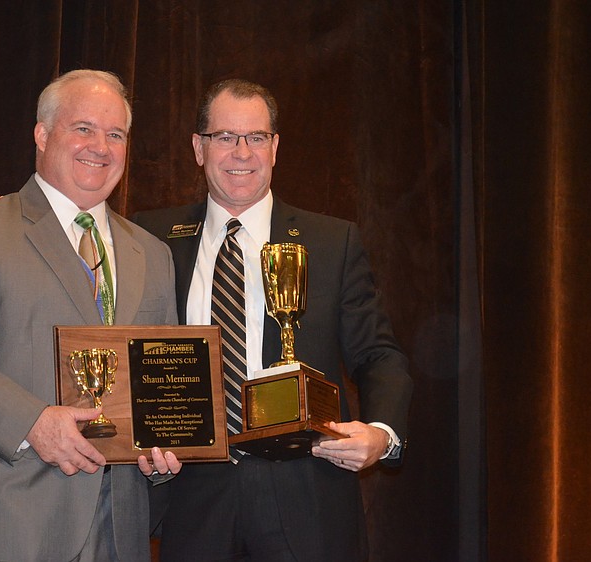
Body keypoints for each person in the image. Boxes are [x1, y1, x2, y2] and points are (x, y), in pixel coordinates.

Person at [133, 79, 413, 561]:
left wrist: (382, 435)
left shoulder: (331, 242)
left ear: (275, 147)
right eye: (224, 137)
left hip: (307, 495)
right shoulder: (149, 236)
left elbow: (378, 355)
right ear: (199, 148)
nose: (241, 152)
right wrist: (4, 216)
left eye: (256, 137)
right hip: (193, 497)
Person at [0, 69, 181, 562]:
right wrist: (32, 421)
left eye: (115, 134)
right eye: (83, 128)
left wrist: (163, 447)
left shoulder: (153, 254)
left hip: (120, 534)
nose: (100, 145)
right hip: (8, 526)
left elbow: (158, 382)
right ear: (41, 133)